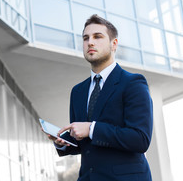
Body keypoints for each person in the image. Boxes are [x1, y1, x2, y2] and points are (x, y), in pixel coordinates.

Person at [44, 14, 153, 181]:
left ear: (114, 44)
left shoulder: (133, 83)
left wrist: (91, 128)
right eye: (86, 38)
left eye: (97, 37)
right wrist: (63, 143)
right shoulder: (78, 91)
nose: (90, 42)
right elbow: (85, 144)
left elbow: (140, 139)